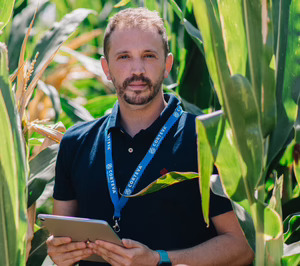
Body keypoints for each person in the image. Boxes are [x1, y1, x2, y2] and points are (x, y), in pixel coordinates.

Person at [46, 7, 254, 266]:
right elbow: (60, 239)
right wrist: (59, 252)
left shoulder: (207, 139)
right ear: (106, 68)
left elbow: (242, 246)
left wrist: (159, 260)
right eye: (123, 57)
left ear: (167, 65)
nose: (137, 70)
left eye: (148, 56)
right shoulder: (75, 143)